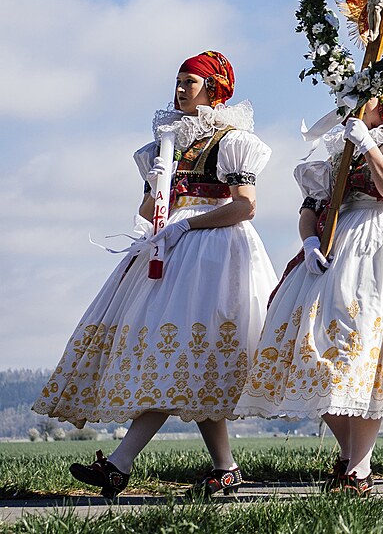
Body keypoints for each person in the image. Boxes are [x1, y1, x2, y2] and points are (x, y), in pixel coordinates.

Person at [36, 52, 274, 499]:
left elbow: (245, 205)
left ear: (214, 88)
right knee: (185, 363)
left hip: (213, 255)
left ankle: (120, 465)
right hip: (169, 253)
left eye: (190, 82)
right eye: (179, 81)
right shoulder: (166, 143)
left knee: (183, 359)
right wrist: (160, 186)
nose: (181, 89)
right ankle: (224, 468)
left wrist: (188, 222)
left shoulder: (230, 140)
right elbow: (148, 212)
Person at [239, 82, 383, 495]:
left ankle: (357, 468)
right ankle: (353, 457)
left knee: (365, 349)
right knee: (317, 352)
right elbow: (311, 208)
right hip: (336, 248)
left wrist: (369, 146)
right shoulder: (338, 151)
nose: (350, 107)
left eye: (362, 99)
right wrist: (310, 241)